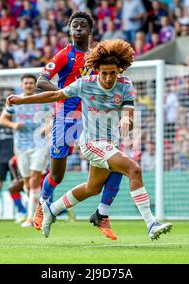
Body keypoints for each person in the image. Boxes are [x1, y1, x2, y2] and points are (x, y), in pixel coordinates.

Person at [7, 39, 173, 241]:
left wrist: (125, 123)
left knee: (92, 188)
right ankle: (151, 224)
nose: (108, 78)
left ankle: (52, 209)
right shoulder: (85, 84)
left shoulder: (125, 85)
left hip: (110, 144)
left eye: (113, 73)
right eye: (104, 73)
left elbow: (129, 116)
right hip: (91, 143)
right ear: (96, 70)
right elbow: (55, 94)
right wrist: (21, 99)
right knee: (134, 169)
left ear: (119, 70)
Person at [35, 11, 124, 239]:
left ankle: (102, 213)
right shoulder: (65, 55)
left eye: (83, 25)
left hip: (92, 117)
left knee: (116, 160)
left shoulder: (97, 56)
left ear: (89, 31)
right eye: (75, 25)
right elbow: (40, 81)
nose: (78, 28)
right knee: (57, 174)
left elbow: (111, 75)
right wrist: (63, 93)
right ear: (70, 30)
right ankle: (43, 204)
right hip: (65, 117)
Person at [3, 74, 52, 227]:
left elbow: (53, 117)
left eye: (31, 83)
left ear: (34, 85)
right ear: (22, 85)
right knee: (27, 183)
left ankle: (31, 217)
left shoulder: (42, 99)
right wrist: (13, 125)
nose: (29, 85)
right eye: (26, 83)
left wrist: (46, 127)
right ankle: (37, 210)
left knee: (35, 179)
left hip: (39, 144)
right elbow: (2, 119)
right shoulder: (15, 101)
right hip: (21, 146)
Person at [0, 113, 26, 223]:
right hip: (2, 161)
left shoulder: (16, 126)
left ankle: (22, 211)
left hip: (15, 161)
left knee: (20, 186)